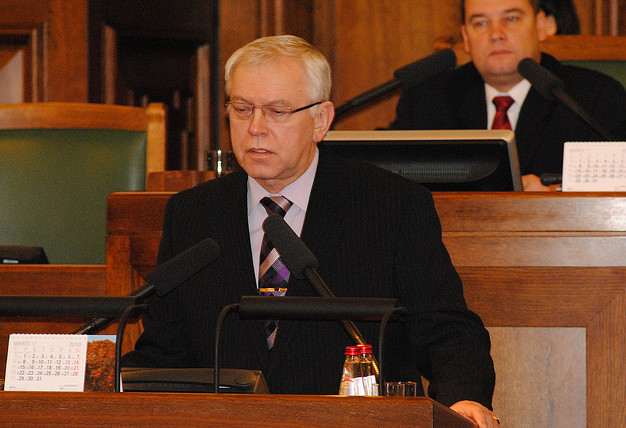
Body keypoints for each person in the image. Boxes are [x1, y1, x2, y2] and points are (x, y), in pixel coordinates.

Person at [123, 35, 499, 427]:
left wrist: (464, 398)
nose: (255, 128)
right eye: (242, 109)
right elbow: (164, 353)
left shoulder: (391, 205)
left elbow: (446, 329)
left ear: (320, 120)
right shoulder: (192, 213)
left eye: (277, 111)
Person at [390, 0, 626, 191]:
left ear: (541, 26)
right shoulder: (426, 99)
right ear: (466, 38)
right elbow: (390, 179)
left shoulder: (591, 96)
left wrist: (557, 194)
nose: (496, 34)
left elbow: (624, 180)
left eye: (511, 19)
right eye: (480, 23)